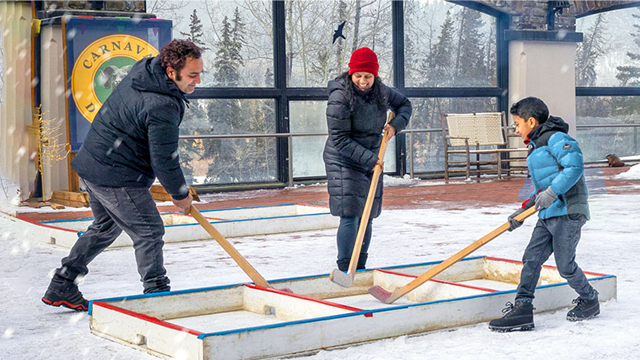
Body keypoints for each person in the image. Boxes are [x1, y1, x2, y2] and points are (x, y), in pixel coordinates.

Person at [42, 39, 203, 311]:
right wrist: (180, 195)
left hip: (94, 165)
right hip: (116, 175)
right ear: (170, 71)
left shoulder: (143, 74)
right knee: (150, 231)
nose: (198, 81)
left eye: (200, 74)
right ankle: (157, 298)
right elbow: (164, 159)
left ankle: (63, 283)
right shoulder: (161, 104)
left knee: (105, 227)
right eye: (192, 75)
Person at [489, 97, 598, 331]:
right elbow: (542, 189)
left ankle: (590, 300)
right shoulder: (536, 147)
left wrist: (552, 192)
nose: (516, 129)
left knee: (565, 266)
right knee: (531, 259)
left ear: (531, 121)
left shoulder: (557, 138)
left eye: (517, 123)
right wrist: (523, 210)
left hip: (568, 211)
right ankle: (523, 309)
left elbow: (575, 167)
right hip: (548, 213)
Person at [323, 47, 411, 272]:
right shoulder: (340, 96)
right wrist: (370, 160)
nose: (363, 81)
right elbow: (340, 139)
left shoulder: (381, 92)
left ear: (375, 76)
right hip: (343, 158)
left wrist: (395, 125)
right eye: (358, 76)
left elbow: (404, 105)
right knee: (351, 212)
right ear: (350, 74)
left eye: (368, 76)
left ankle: (359, 267)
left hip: (372, 157)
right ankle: (345, 267)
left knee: (368, 213)